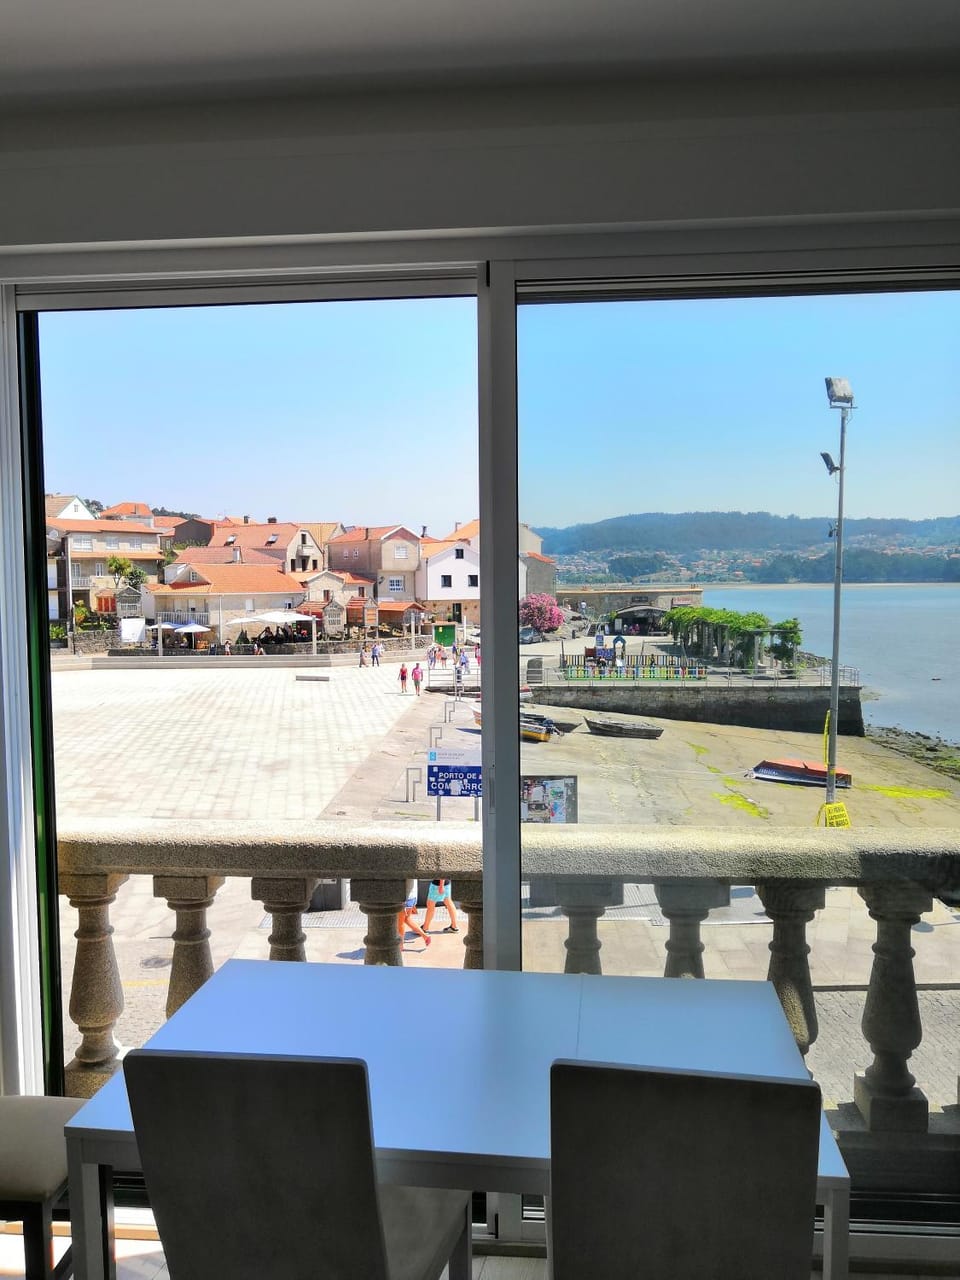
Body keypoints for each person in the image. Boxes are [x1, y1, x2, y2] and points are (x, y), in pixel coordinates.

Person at [397, 882, 430, 948]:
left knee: (400, 923)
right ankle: (425, 937)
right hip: (412, 896)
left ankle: (400, 946)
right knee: (407, 919)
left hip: (405, 897)